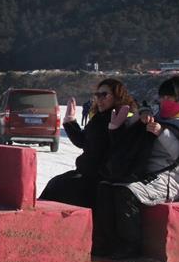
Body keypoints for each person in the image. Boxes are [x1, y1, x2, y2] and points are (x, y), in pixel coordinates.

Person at [92, 76, 179, 260]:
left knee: (125, 192)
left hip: (170, 177)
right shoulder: (161, 114)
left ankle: (130, 246)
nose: (163, 102)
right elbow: (135, 127)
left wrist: (162, 133)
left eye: (168, 98)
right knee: (105, 187)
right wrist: (142, 114)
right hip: (145, 171)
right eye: (161, 98)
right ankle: (105, 243)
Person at [39, 79, 137, 209]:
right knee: (56, 184)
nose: (99, 99)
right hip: (86, 173)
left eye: (104, 95)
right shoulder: (98, 118)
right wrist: (70, 123)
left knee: (61, 188)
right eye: (97, 95)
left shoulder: (124, 118)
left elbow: (121, 151)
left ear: (117, 96)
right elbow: (84, 142)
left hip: (102, 178)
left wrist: (116, 130)